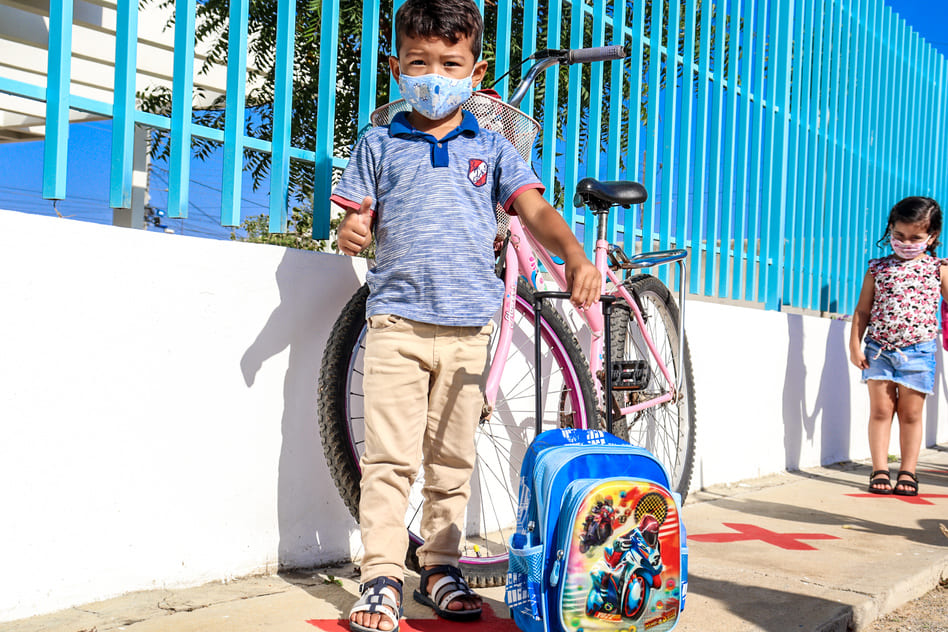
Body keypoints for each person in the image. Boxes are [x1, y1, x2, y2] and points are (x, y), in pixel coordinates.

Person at [329, 1, 600, 630]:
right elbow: (356, 215)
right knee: (390, 461)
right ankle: (380, 577)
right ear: (396, 67)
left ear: (475, 74)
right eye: (419, 62)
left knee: (453, 463)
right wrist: (352, 227)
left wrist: (574, 255)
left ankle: (441, 568)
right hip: (395, 324)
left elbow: (535, 209)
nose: (434, 76)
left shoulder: (493, 147)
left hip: (468, 332)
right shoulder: (378, 142)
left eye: (450, 64)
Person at [849, 196, 948, 497]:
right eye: (899, 235)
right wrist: (855, 345)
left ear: (932, 236)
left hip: (918, 352)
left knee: (911, 414)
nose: (906, 243)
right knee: (881, 410)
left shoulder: (938, 269)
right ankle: (879, 469)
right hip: (878, 350)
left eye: (915, 238)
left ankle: (908, 471)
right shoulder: (877, 268)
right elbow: (863, 310)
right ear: (890, 229)